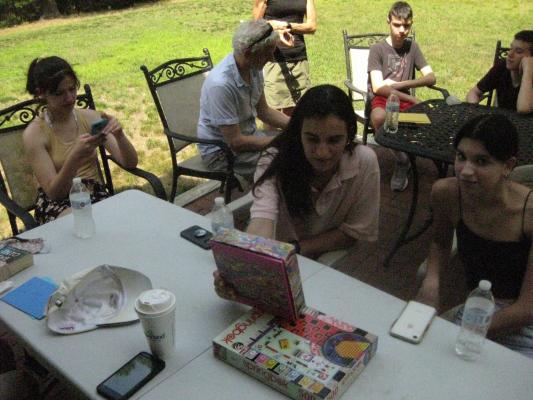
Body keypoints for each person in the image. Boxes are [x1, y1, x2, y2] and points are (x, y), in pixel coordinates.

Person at [416, 114, 533, 359]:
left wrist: (467, 330)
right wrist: (432, 281)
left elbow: (527, 308)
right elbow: (440, 243)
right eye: (461, 157)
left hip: (521, 323)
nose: (466, 171)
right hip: (478, 308)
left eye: (481, 161)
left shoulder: (528, 213)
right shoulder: (447, 194)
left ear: (508, 166)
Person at [23, 56, 138, 224]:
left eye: (72, 89)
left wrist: (120, 136)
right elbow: (55, 193)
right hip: (56, 204)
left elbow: (130, 163)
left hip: (93, 193)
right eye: (59, 93)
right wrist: (75, 157)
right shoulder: (35, 134)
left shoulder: (90, 118)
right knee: (78, 219)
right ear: (42, 93)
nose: (70, 98)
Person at [197, 20, 290, 182]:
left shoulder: (253, 68)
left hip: (248, 138)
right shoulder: (221, 84)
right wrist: (280, 140)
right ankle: (273, 196)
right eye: (267, 52)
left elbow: (264, 112)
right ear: (248, 53)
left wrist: (296, 125)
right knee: (287, 162)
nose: (272, 58)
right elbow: (236, 142)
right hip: (221, 153)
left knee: (297, 150)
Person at [368, 1, 437, 192]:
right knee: (380, 117)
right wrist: (412, 99)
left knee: (432, 119)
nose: (401, 30)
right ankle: (402, 160)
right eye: (397, 25)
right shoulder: (377, 49)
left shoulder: (412, 47)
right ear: (388, 21)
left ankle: (406, 149)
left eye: (406, 26)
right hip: (384, 99)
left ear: (411, 24)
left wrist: (402, 85)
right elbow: (378, 87)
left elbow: (431, 77)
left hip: (403, 100)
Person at [253, 0, 317, 120]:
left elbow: (312, 26)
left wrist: (287, 25)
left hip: (299, 58)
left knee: (297, 112)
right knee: (272, 112)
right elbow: (255, 25)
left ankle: (291, 133)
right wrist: (274, 29)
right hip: (273, 59)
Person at [466, 30, 533, 114]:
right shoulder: (502, 67)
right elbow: (474, 92)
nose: (510, 54)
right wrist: (475, 110)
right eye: (511, 48)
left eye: (518, 51)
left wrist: (528, 70)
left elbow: (524, 109)